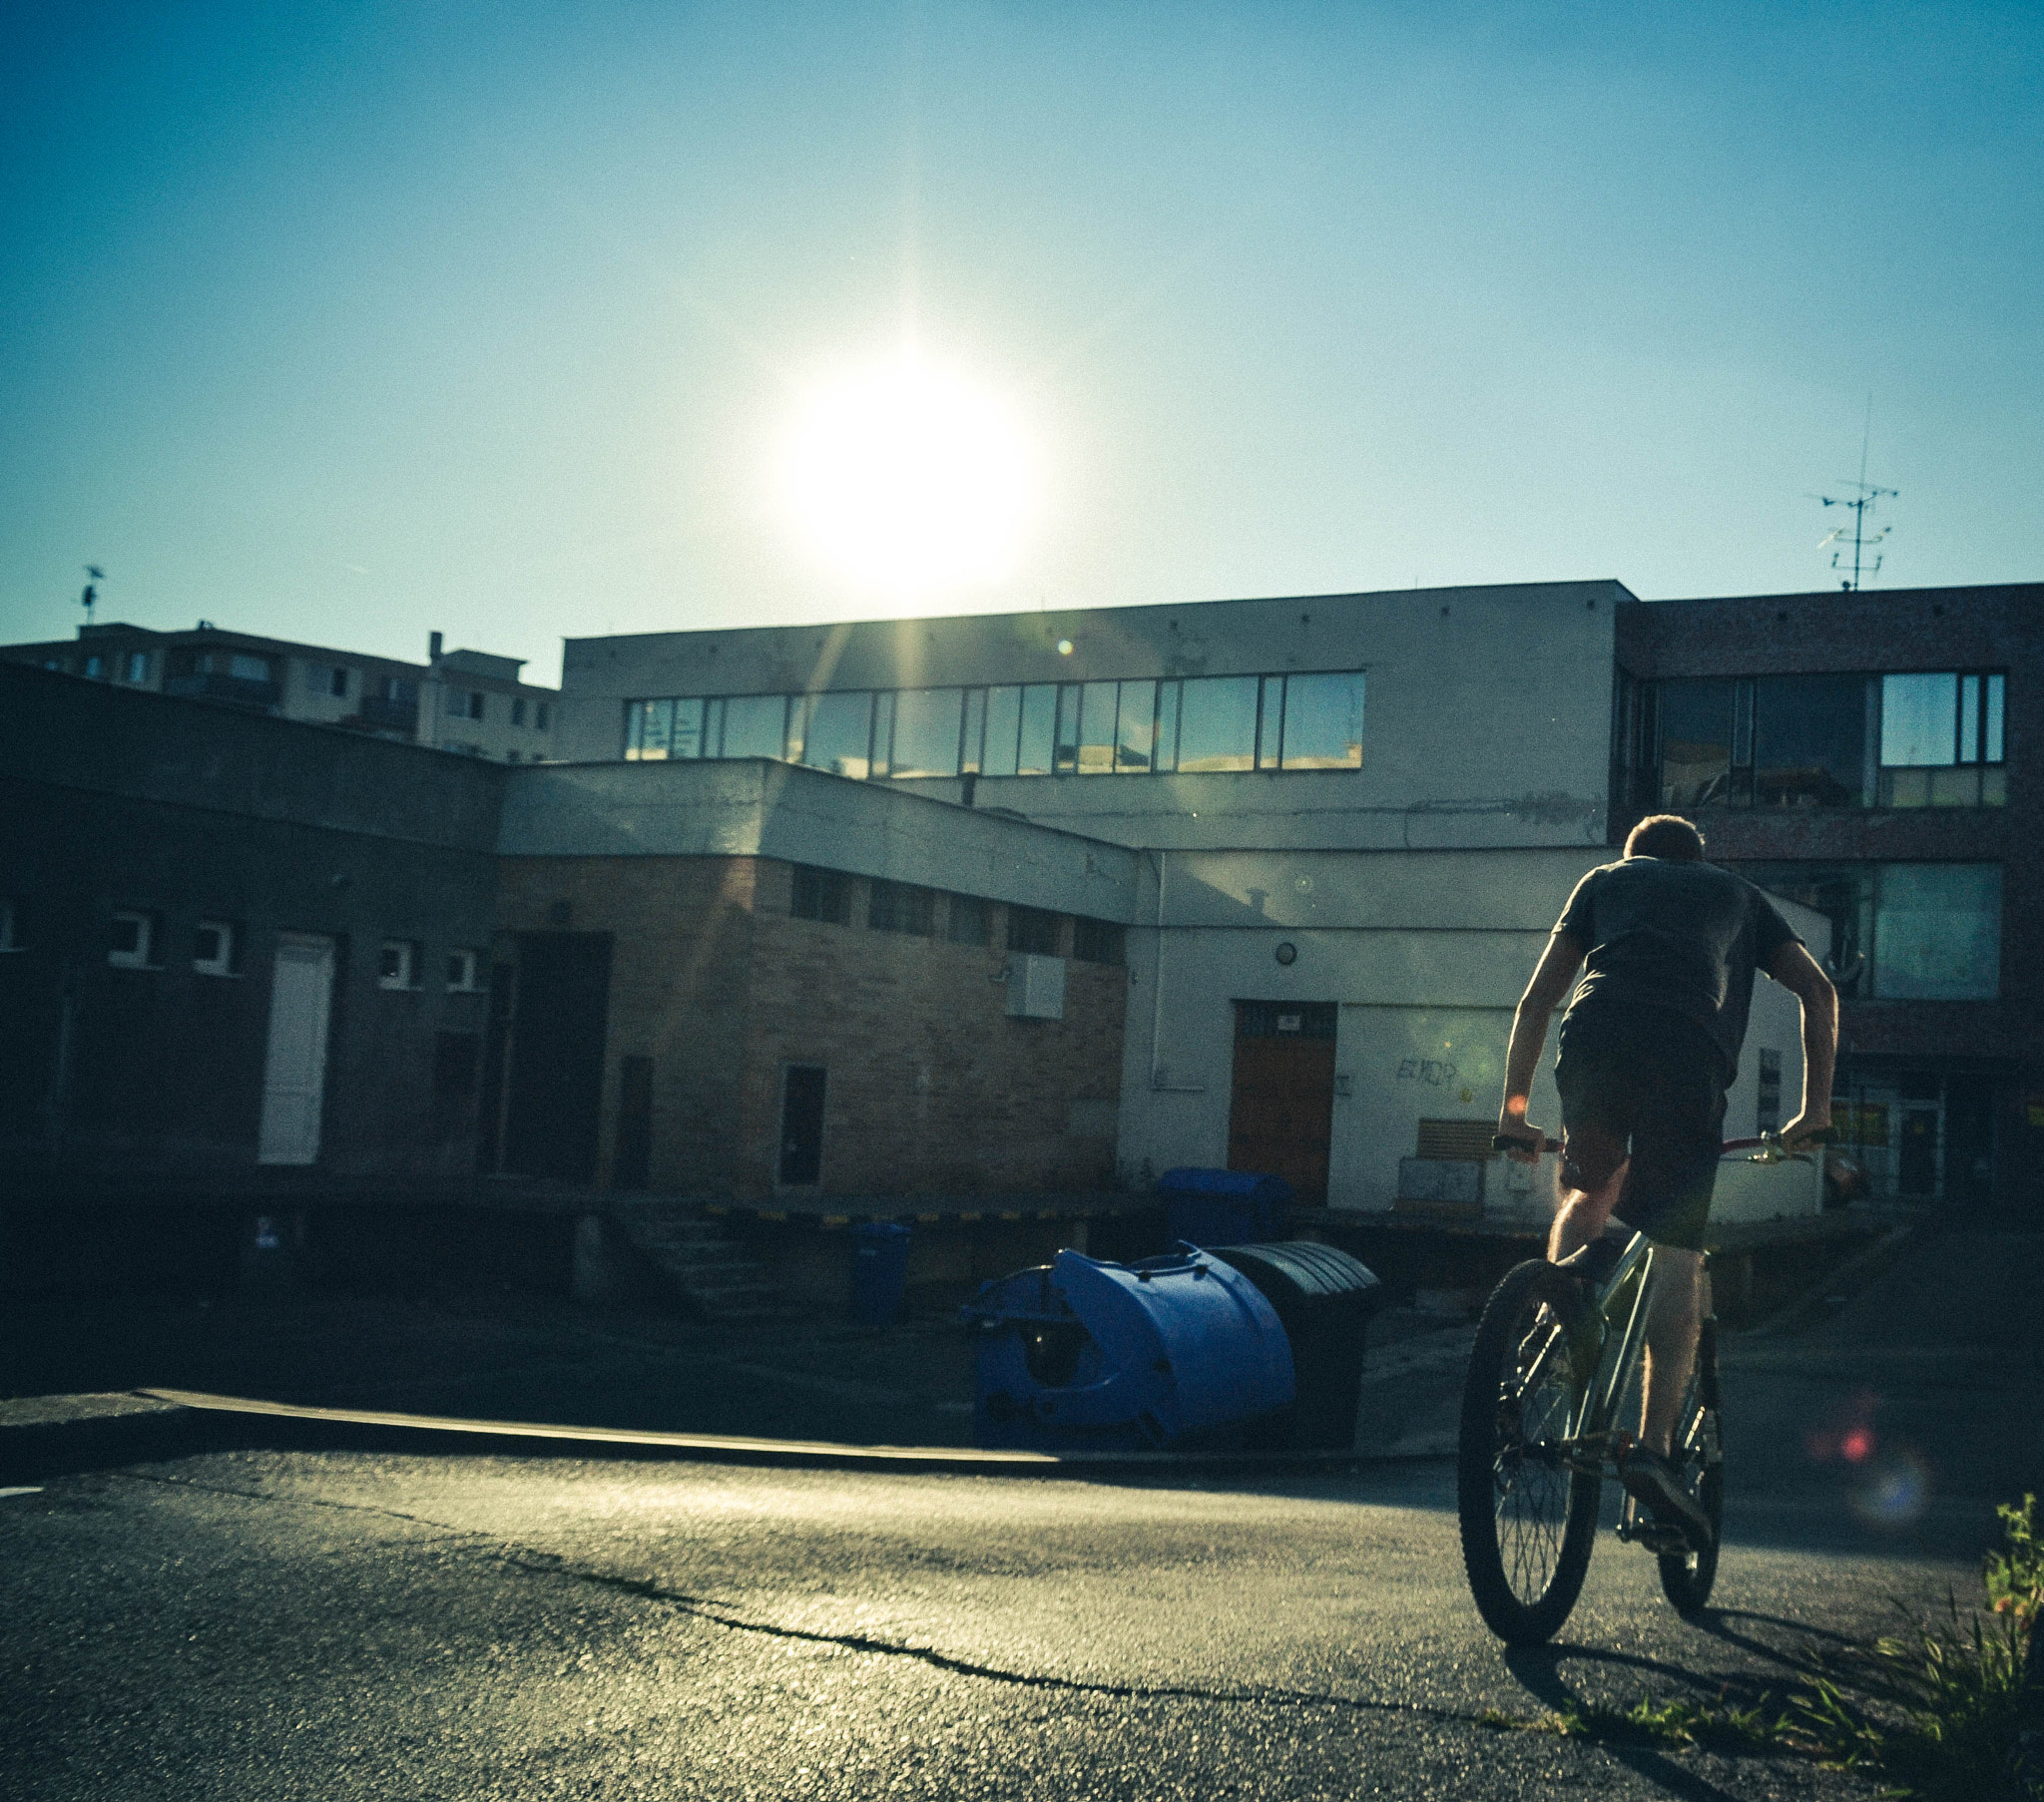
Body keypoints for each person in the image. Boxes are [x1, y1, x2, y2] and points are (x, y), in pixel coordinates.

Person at [1494, 813, 1837, 1541]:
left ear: (1636, 859)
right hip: (1687, 1055)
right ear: (1698, 861)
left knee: (1590, 1190)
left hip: (1594, 1037)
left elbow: (1536, 1002)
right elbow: (1819, 992)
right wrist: (1813, 1111)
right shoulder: (1738, 894)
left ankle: (1561, 1325)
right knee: (1677, 1245)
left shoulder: (1605, 881)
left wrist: (1513, 1112)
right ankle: (1652, 1451)